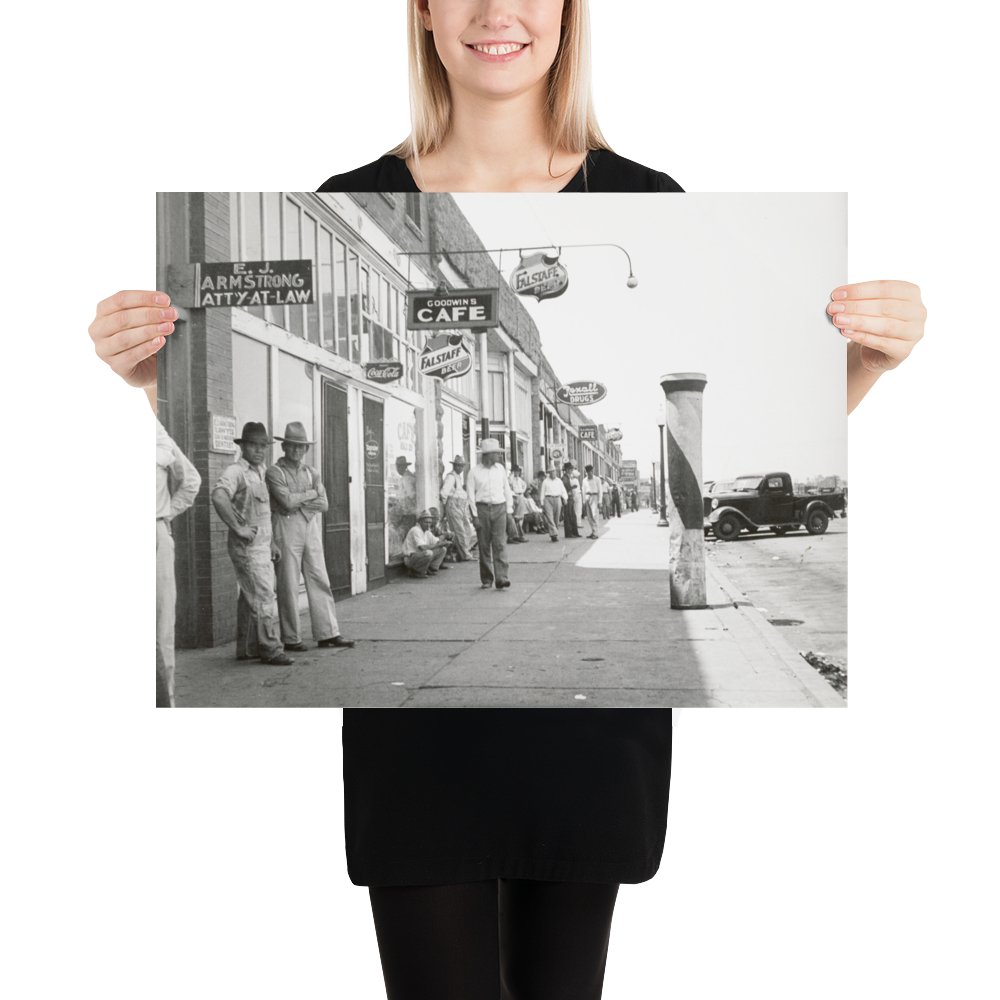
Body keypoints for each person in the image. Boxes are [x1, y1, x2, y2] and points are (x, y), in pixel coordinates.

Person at [88, 1, 925, 995]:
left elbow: (794, 404)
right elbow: (189, 383)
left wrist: (866, 368)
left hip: (591, 745)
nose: (497, 12)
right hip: (418, 755)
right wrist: (146, 369)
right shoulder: (345, 195)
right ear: (425, 14)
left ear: (570, 16)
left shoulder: (645, 195)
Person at [265, 422, 355, 652]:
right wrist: (311, 494)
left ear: (306, 449)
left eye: (301, 447)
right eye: (292, 446)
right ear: (284, 447)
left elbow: (324, 504)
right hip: (285, 527)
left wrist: (300, 502)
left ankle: (328, 633)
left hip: (309, 525)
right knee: (288, 582)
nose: (296, 451)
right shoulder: (275, 472)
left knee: (319, 576)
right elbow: (284, 502)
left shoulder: (311, 471)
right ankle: (291, 637)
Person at [211, 422, 293, 667]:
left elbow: (263, 513)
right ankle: (271, 649)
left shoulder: (260, 471)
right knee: (263, 595)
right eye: (253, 445)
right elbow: (218, 495)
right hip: (246, 547)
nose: (258, 450)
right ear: (243, 446)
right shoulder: (236, 471)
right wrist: (238, 528)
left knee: (250, 596)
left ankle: (247, 649)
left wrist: (271, 545)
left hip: (261, 546)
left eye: (262, 446)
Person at [156, 418, 201, 708]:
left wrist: (165, 515)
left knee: (161, 624)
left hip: (153, 532)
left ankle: (165, 702)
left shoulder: (155, 432)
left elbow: (191, 480)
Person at [467, 438, 513, 590]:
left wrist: (509, 511)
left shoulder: (500, 469)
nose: (498, 457)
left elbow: (506, 490)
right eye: (496, 454)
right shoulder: (474, 472)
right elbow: (471, 496)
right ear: (487, 455)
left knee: (500, 544)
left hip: (499, 507)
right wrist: (474, 516)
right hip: (482, 509)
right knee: (484, 545)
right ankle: (487, 578)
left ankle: (502, 577)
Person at [439, 454, 475, 561]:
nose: (460, 468)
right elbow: (444, 493)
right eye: (458, 465)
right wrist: (447, 507)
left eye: (461, 466)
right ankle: (464, 554)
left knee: (468, 529)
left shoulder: (458, 477)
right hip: (454, 505)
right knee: (460, 531)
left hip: (461, 506)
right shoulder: (451, 477)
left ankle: (463, 551)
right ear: (454, 465)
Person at [402, 509, 450, 578]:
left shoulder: (427, 531)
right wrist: (438, 544)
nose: (428, 524)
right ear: (420, 522)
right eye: (426, 522)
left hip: (420, 556)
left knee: (442, 549)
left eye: (429, 522)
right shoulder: (415, 530)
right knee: (428, 553)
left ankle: (430, 568)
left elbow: (437, 541)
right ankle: (416, 571)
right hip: (410, 558)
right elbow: (422, 547)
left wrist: (445, 542)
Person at [538, 465, 568, 542]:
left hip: (557, 498)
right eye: (551, 472)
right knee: (550, 517)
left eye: (553, 471)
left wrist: (565, 498)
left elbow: (563, 490)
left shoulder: (559, 481)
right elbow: (542, 492)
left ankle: (553, 535)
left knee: (556, 518)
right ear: (548, 473)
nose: (552, 473)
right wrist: (542, 502)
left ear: (556, 472)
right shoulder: (545, 481)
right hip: (548, 499)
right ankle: (554, 533)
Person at [508, 464, 528, 542]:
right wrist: (514, 494)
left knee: (520, 517)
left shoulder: (519, 479)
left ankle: (518, 535)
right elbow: (509, 488)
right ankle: (516, 535)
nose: (517, 473)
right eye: (515, 471)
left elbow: (525, 485)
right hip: (514, 496)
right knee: (516, 517)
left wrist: (522, 491)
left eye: (518, 471)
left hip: (520, 495)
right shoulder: (510, 479)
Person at [560, 461, 581, 538]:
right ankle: (569, 533)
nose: (571, 471)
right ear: (567, 470)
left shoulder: (567, 477)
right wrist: (572, 487)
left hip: (570, 498)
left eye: (571, 469)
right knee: (568, 516)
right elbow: (565, 488)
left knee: (572, 515)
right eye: (570, 469)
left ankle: (574, 532)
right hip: (567, 498)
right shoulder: (565, 478)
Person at [582, 463, 602, 540]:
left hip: (594, 496)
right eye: (587, 472)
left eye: (590, 472)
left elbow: (600, 490)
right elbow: (583, 490)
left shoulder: (597, 479)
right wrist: (583, 500)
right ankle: (593, 531)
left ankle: (596, 533)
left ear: (592, 471)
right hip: (587, 497)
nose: (588, 473)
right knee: (589, 517)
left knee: (594, 515)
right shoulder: (584, 480)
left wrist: (600, 501)